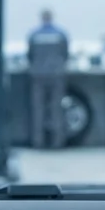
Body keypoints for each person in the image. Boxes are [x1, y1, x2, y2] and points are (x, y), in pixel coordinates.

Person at [27, 9, 71, 149]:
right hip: (57, 74)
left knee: (38, 108)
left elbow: (30, 55)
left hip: (38, 75)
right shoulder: (60, 34)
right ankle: (58, 142)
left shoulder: (34, 35)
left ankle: (38, 141)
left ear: (42, 18)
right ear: (52, 17)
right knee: (56, 107)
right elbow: (65, 54)